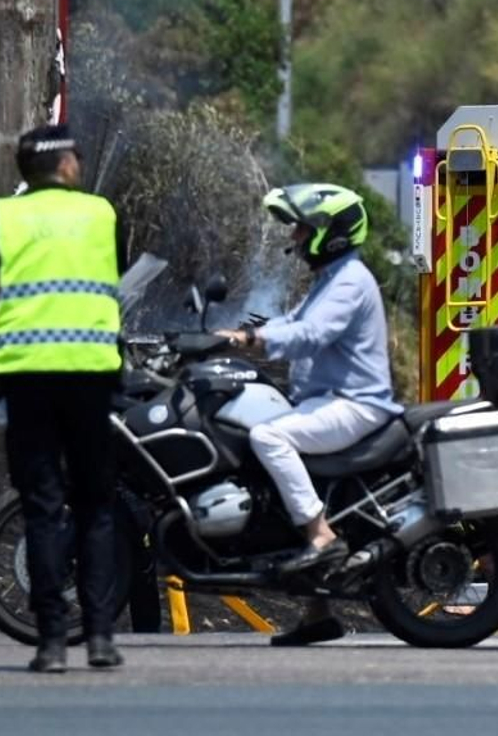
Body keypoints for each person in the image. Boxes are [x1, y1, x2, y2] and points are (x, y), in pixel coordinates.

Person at [0, 123, 125, 674]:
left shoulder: (2, 217)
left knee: (42, 506)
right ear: (68, 166)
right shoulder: (101, 215)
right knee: (96, 506)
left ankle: (52, 644)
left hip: (26, 378)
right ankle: (101, 639)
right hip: (92, 375)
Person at [216, 182, 401, 647]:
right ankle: (317, 612)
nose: (295, 236)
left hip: (356, 403)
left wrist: (251, 341)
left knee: (268, 438)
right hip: (328, 400)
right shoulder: (331, 279)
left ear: (330, 231)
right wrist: (238, 334)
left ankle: (321, 536)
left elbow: (312, 334)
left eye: (303, 227)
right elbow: (292, 323)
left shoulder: (351, 281)